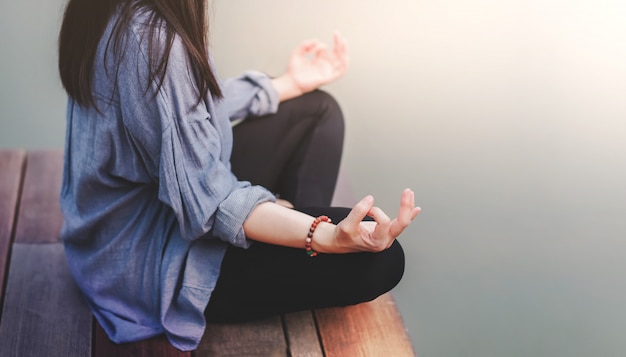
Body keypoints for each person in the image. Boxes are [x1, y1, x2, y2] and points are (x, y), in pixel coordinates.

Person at [57, 0, 421, 351]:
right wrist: (323, 234)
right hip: (154, 262)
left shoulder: (121, 11)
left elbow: (180, 111)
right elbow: (211, 204)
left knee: (316, 112)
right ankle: (289, 236)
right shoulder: (151, 38)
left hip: (131, 223)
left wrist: (286, 83)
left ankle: (283, 227)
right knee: (380, 261)